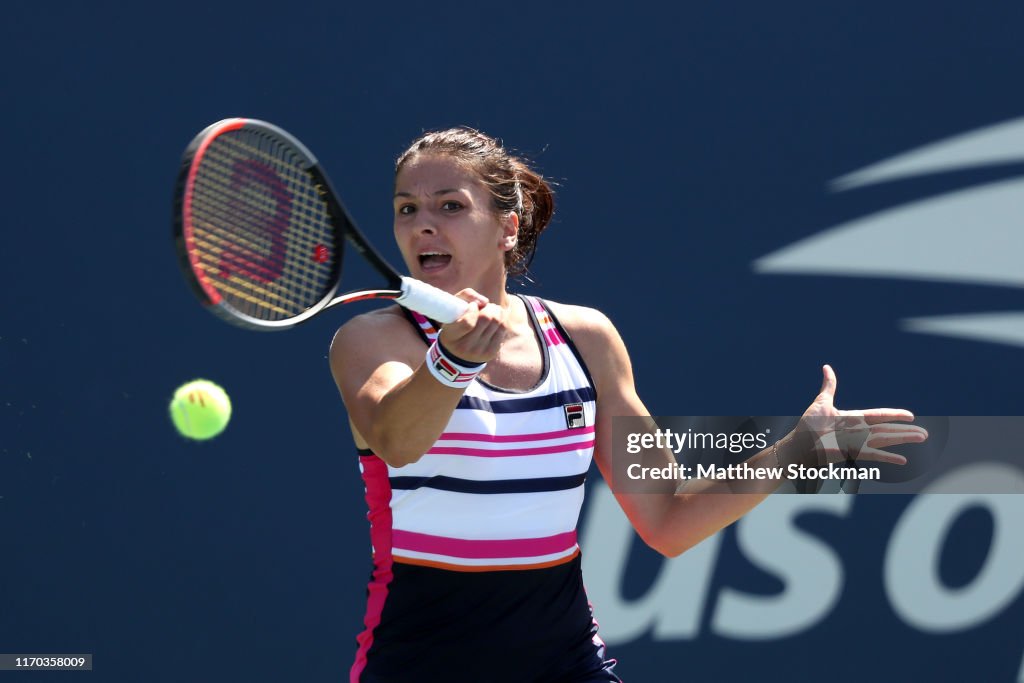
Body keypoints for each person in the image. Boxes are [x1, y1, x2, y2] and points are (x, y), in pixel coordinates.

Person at [328, 127, 927, 682]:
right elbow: (399, 440)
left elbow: (667, 518)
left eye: (449, 206)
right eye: (407, 208)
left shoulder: (585, 339)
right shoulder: (374, 339)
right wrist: (451, 363)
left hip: (567, 667)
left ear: (507, 227)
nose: (422, 225)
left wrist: (796, 452)